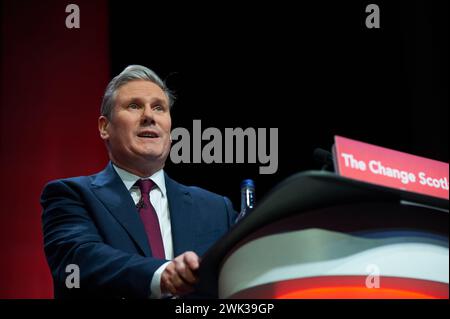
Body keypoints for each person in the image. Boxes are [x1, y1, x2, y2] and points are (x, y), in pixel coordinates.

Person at [41, 65, 237, 298]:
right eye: (134, 106)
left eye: (159, 108)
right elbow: (79, 262)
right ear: (105, 127)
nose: (149, 116)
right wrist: (162, 275)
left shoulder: (216, 208)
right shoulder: (71, 195)